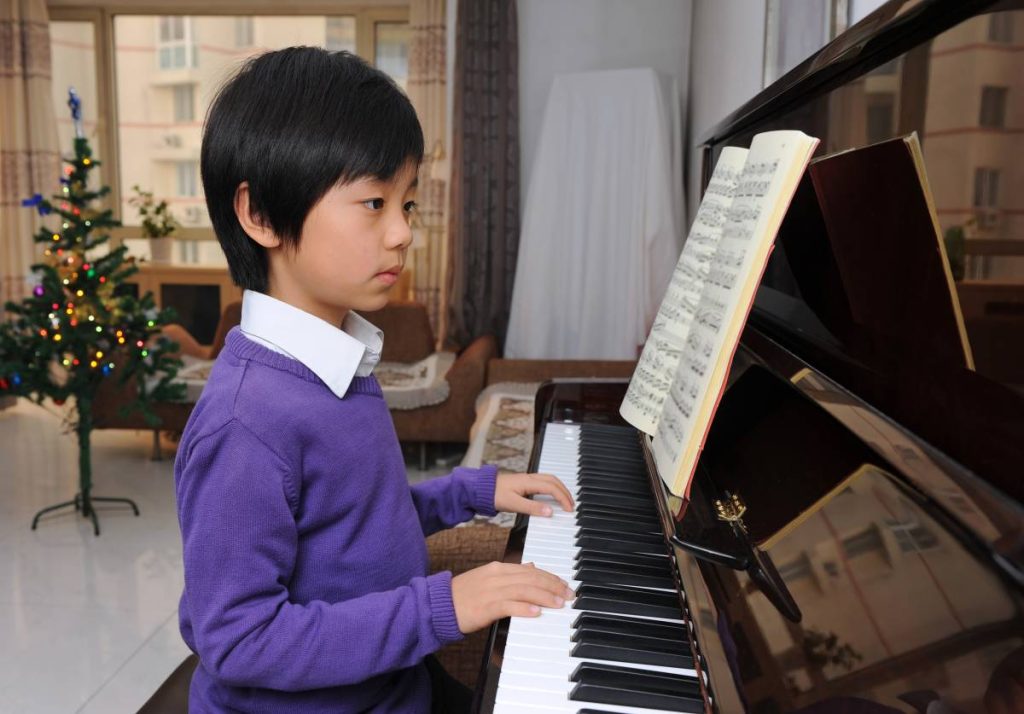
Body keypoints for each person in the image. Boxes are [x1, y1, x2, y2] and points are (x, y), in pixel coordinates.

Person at [175, 46, 575, 714]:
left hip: (396, 689)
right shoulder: (245, 422)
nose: (402, 234)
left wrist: (472, 490)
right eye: (373, 202)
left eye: (409, 204)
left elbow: (355, 529)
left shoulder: (338, 366)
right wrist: (442, 604)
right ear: (262, 215)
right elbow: (239, 639)